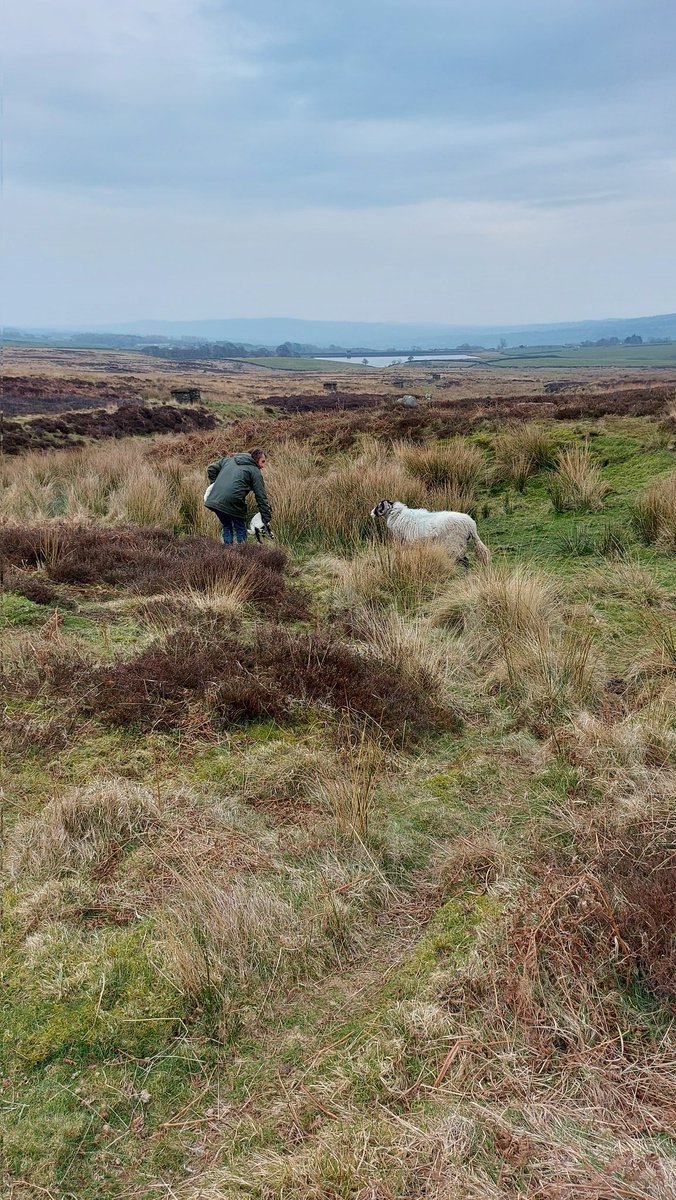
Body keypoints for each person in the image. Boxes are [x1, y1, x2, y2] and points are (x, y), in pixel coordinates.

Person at [204, 448, 272, 545]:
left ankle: (228, 553)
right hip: (233, 501)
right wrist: (266, 518)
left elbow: (211, 469)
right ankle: (241, 553)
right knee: (240, 526)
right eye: (262, 461)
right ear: (256, 459)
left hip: (214, 500)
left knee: (227, 525)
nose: (263, 466)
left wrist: (216, 485)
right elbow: (261, 496)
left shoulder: (228, 460)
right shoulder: (254, 471)